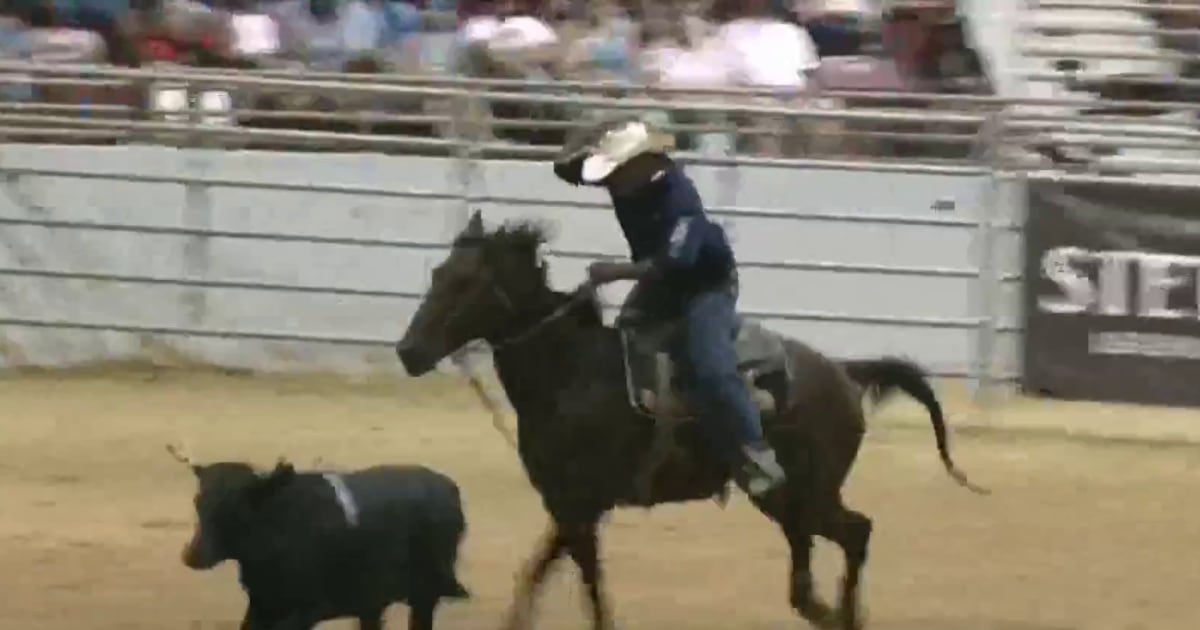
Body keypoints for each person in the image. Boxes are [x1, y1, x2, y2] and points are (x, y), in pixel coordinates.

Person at [552, 117, 787, 497]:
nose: (609, 181)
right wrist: (578, 141)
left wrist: (614, 271)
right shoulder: (626, 186)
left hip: (704, 286)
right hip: (661, 284)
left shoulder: (680, 199)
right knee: (624, 344)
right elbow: (570, 172)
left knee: (710, 364)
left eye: (616, 171)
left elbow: (674, 262)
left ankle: (757, 452)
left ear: (642, 164)